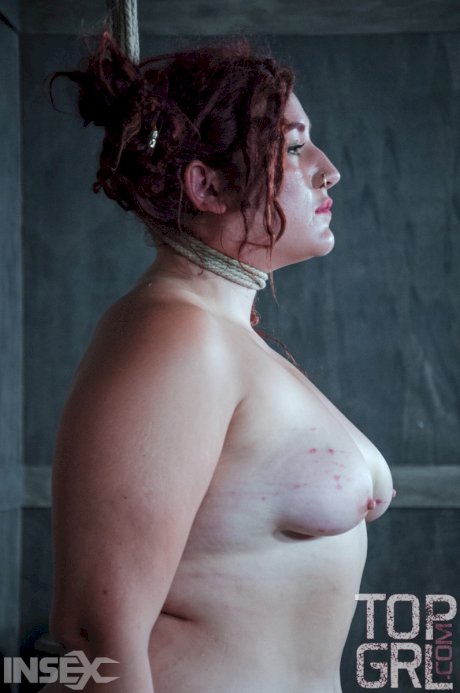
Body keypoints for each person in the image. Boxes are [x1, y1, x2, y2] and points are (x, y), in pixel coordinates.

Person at [44, 31, 395, 693]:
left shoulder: (232, 335)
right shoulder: (177, 337)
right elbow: (93, 633)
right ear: (207, 185)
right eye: (294, 147)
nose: (328, 170)